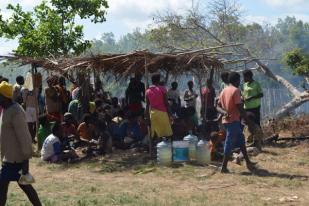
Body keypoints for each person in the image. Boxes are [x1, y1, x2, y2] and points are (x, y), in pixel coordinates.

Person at [0, 81, 42, 206]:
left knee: (25, 188)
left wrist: (26, 164)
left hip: (17, 160)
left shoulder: (16, 112)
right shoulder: (6, 109)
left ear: (3, 96)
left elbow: (24, 138)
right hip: (9, 159)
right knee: (4, 187)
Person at [217, 72, 257, 173]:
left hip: (227, 121)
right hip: (233, 121)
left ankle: (248, 162)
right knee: (229, 143)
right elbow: (240, 107)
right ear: (236, 80)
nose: (240, 82)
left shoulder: (223, 91)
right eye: (239, 80)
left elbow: (217, 106)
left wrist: (224, 112)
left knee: (241, 141)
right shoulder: (236, 91)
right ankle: (224, 167)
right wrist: (249, 123)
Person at [146, 73, 173, 155]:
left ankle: (156, 152)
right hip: (162, 113)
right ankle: (166, 152)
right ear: (158, 80)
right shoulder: (162, 89)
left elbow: (147, 105)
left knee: (156, 134)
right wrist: (170, 114)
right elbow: (166, 103)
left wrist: (147, 116)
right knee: (167, 133)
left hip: (153, 113)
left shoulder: (148, 91)